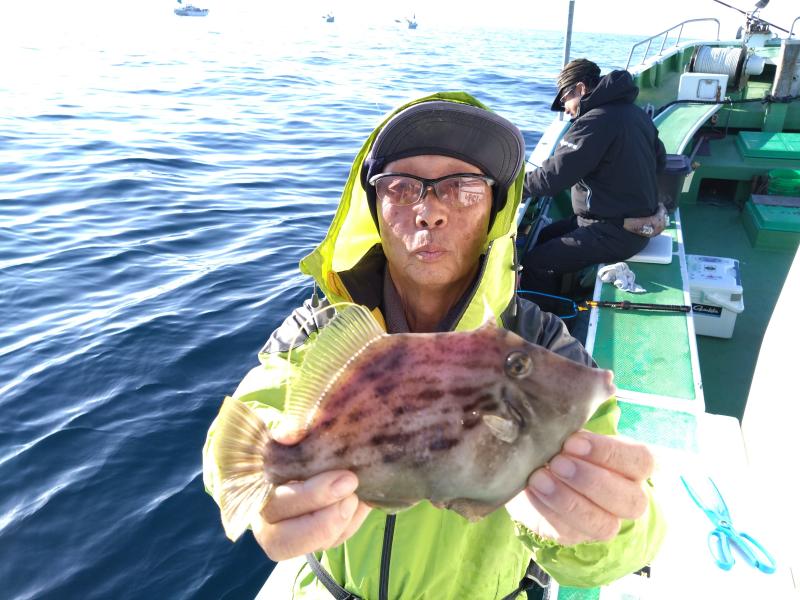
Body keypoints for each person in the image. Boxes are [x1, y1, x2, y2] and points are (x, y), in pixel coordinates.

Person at [203, 93, 665, 599]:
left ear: (494, 211)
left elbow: (624, 542)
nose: (429, 212)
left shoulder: (541, 343)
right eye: (401, 188)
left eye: (464, 189)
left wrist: (608, 523)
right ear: (373, 210)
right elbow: (245, 426)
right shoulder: (322, 326)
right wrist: (273, 489)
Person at [520, 58, 667, 296]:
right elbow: (660, 161)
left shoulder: (593, 122)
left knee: (537, 263)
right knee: (546, 235)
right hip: (634, 224)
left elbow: (552, 177)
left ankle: (545, 324)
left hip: (616, 231)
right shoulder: (636, 114)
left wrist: (513, 186)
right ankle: (562, 291)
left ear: (580, 88)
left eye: (564, 100)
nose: (565, 109)